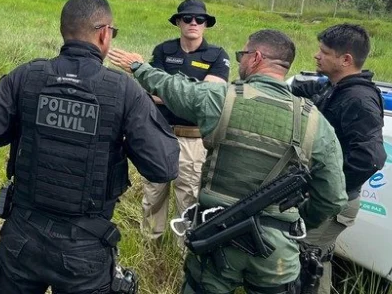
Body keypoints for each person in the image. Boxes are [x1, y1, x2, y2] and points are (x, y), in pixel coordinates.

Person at [0, 0, 179, 293]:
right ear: (104, 34)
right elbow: (163, 166)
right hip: (83, 250)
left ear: (64, 30)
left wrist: (26, 122)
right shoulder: (124, 90)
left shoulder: (27, 76)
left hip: (22, 238)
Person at [108, 29, 347, 294]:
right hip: (276, 252)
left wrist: (139, 67)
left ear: (256, 57)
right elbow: (333, 198)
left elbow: (174, 88)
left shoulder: (221, 98)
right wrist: (296, 222)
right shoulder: (315, 122)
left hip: (216, 240)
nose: (239, 61)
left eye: (242, 55)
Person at [290, 24, 386, 293]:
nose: (316, 55)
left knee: (303, 260)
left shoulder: (359, 99)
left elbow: (371, 158)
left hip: (332, 200)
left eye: (324, 52)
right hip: (326, 196)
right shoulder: (336, 88)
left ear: (345, 60)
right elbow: (305, 90)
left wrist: (328, 186)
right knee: (314, 259)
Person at [143, 0, 230, 242]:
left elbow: (209, 98)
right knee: (153, 194)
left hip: (193, 139)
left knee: (188, 199)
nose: (193, 23)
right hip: (160, 134)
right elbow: (151, 88)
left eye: (199, 19)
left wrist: (168, 91)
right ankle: (150, 247)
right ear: (178, 22)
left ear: (206, 24)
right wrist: (192, 93)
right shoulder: (163, 51)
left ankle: (184, 250)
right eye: (188, 18)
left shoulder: (217, 56)